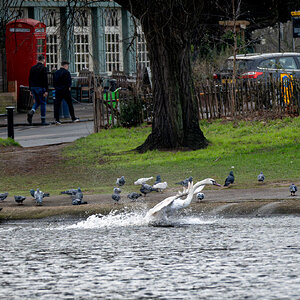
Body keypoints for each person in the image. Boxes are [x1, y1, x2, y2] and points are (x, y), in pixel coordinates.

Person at [27, 55, 49, 125]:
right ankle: (43, 120)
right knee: (43, 103)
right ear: (43, 60)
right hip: (40, 88)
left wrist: (30, 89)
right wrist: (46, 90)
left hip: (33, 87)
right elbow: (45, 80)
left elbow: (30, 79)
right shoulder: (44, 68)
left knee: (37, 102)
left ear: (37, 60)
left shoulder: (32, 68)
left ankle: (32, 111)